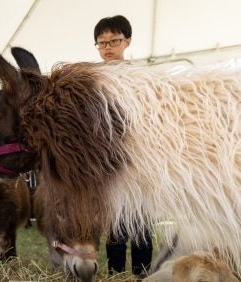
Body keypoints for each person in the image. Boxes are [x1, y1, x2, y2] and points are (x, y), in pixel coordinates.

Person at [94, 15, 153, 277]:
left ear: (127, 41)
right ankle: (115, 273)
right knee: (115, 224)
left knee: (142, 222)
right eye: (101, 42)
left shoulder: (141, 76)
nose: (107, 47)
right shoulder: (93, 77)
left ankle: (142, 273)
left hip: (141, 158)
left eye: (114, 41)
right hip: (110, 161)